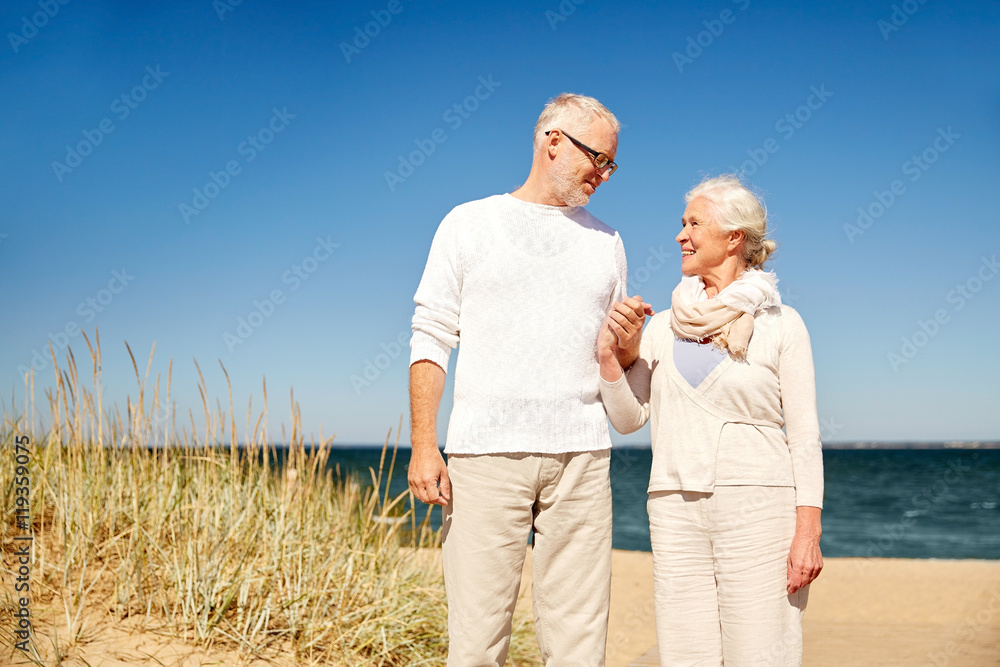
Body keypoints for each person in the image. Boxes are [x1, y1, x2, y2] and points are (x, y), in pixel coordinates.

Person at [407, 93, 650, 666]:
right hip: (485, 455)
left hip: (583, 458)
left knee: (579, 641)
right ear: (552, 141)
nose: (604, 174)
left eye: (612, 165)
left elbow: (615, 356)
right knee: (477, 637)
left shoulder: (608, 242)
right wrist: (423, 444)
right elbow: (431, 334)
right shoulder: (469, 223)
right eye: (598, 158)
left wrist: (630, 339)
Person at [598, 174, 824, 666]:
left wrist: (808, 532)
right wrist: (612, 358)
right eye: (682, 223)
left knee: (761, 651)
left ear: (734, 237)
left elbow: (805, 436)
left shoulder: (780, 324)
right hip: (674, 509)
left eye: (694, 223)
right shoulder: (660, 328)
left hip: (759, 509)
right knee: (685, 653)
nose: (681, 235)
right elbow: (628, 417)